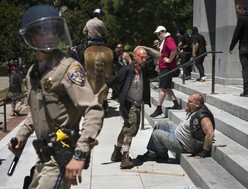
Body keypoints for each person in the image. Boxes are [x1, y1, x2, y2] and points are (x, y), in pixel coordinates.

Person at [8, 5, 104, 188]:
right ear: (31, 37)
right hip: (43, 158)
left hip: (61, 158)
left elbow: (93, 110)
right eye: (43, 31)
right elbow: (36, 111)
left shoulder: (68, 68)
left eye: (54, 31)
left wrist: (80, 153)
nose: (50, 35)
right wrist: (20, 137)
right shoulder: (32, 72)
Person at [96, 47, 151, 169]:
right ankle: (125, 157)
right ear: (135, 57)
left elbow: (158, 56)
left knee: (126, 128)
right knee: (130, 129)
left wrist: (146, 48)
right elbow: (110, 82)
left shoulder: (144, 69)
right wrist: (98, 94)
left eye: (145, 57)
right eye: (141, 57)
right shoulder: (126, 70)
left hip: (137, 103)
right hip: (128, 104)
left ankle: (117, 152)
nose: (144, 59)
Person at [137, 92, 215, 162]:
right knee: (161, 124)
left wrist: (204, 152)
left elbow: (210, 133)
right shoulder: (197, 109)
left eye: (190, 102)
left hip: (183, 145)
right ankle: (152, 153)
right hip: (177, 133)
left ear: (197, 104)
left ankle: (161, 155)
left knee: (156, 133)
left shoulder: (203, 116)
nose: (187, 103)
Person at [150, 26, 180, 117]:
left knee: (162, 88)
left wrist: (170, 60)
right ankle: (176, 104)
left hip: (167, 67)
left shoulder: (168, 39)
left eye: (159, 33)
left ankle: (159, 108)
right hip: (164, 66)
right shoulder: (165, 40)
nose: (158, 35)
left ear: (163, 31)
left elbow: (174, 49)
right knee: (166, 87)